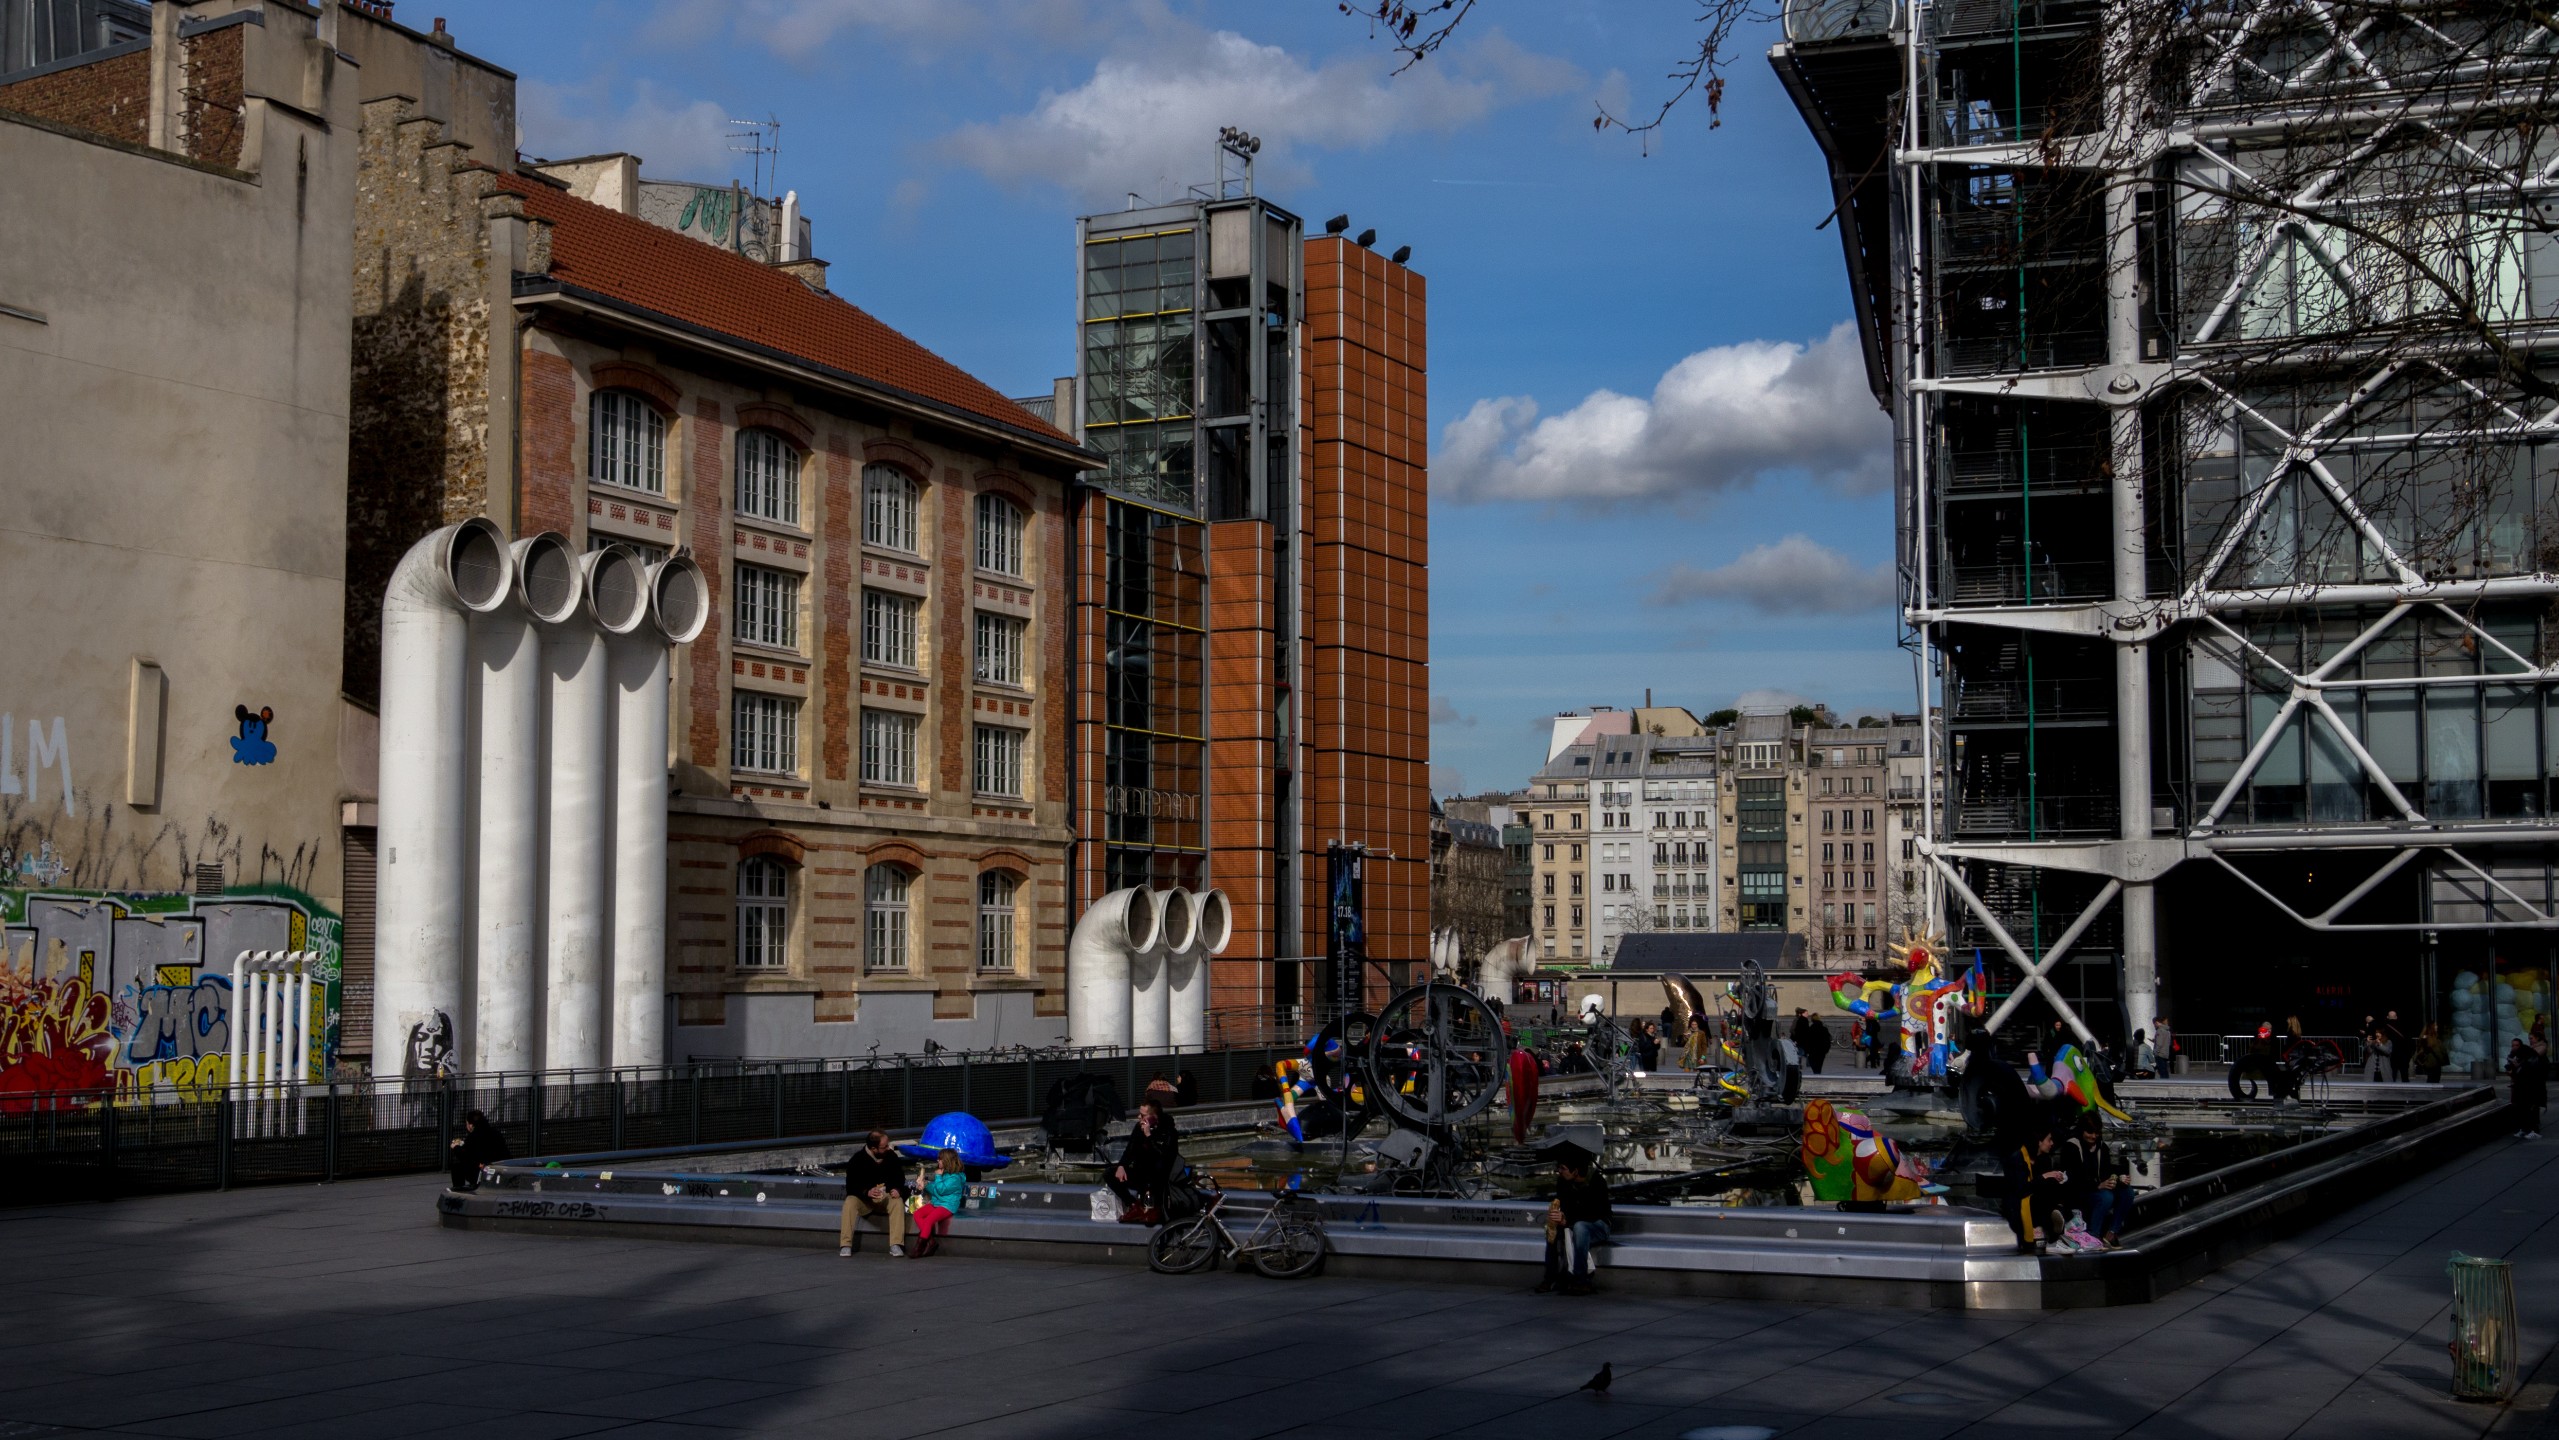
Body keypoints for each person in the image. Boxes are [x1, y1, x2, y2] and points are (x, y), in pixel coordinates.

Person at [1538, 1153, 1614, 1296]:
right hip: (1573, 1222)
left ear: (1575, 1171)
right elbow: (1566, 1208)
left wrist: (1567, 1220)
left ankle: (1581, 1280)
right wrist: (1559, 1217)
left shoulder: (1597, 1182)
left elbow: (1594, 1213)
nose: (1559, 1171)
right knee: (1552, 1229)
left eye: (1563, 1168)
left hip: (1598, 1225)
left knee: (1580, 1227)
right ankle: (1550, 1278)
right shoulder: (1563, 1182)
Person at [838, 1129, 909, 1258]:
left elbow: (900, 1178)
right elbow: (851, 1186)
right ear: (873, 1149)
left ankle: (896, 1244)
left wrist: (897, 1189)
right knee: (850, 1201)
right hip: (865, 1200)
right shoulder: (857, 1159)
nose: (888, 1148)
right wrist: (867, 1192)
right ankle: (845, 1244)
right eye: (884, 1146)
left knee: (897, 1202)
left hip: (885, 1197)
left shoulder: (891, 1156)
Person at [2065, 1115, 2132, 1248]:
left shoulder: (2102, 1147)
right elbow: (2074, 1179)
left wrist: (2118, 1178)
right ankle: (2093, 1235)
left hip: (2096, 1189)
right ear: (2082, 1130)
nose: (2093, 1136)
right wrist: (2098, 1185)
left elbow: (2106, 1171)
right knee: (2106, 1196)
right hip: (2079, 1192)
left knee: (2127, 1192)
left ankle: (2111, 1233)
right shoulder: (2071, 1146)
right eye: (2090, 1132)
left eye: (2096, 1133)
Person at [1109, 1098, 1180, 1221]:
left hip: (1159, 1175)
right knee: (1110, 1174)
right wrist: (1122, 1165)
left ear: (1153, 1117)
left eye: (1143, 1115)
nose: (1139, 1117)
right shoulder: (1139, 1127)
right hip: (1141, 1172)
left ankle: (1153, 1209)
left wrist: (1149, 1136)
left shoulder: (1168, 1131)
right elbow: (1130, 1149)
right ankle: (1133, 1205)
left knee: (1153, 1171)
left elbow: (1163, 1155)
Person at [909, 1147, 968, 1257]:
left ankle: (919, 1248)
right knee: (918, 1214)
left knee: (929, 1220)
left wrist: (938, 1176)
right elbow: (936, 1191)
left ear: (947, 1161)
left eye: (940, 1159)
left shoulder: (955, 1178)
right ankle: (931, 1242)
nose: (937, 1160)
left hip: (948, 1205)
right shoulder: (943, 1173)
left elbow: (941, 1190)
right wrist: (926, 1185)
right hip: (937, 1202)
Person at [446, 1110, 510, 1192]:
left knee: (457, 1167)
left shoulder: (473, 1136)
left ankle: (459, 1189)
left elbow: (465, 1156)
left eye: (467, 1124)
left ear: (471, 1125)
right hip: (501, 1169)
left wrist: (455, 1147)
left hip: (482, 1171)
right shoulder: (496, 1133)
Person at [2507, 1037, 2548, 1140]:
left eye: (2516, 1045)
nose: (2514, 1048)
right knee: (2522, 1110)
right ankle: (2525, 1129)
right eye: (2513, 1045)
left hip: (2531, 1090)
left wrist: (2517, 1068)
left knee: (2530, 1110)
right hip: (2523, 1089)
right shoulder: (2523, 1058)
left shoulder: (2530, 1059)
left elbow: (2528, 1074)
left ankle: (2534, 1130)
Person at [2359, 1015, 2391, 1083]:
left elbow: (2387, 1051)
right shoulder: (2373, 1041)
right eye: (2376, 1032)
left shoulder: (2388, 1042)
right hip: (2373, 1068)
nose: (2377, 1034)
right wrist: (2368, 1043)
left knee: (2384, 1086)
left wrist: (2379, 1044)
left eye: (2378, 1033)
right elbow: (2369, 1051)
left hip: (2383, 1068)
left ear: (2382, 1034)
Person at [2382, 1010, 2411, 1081]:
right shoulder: (2404, 1026)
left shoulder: (2385, 1027)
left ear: (2387, 1017)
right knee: (2404, 1075)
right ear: (2396, 1017)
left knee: (2392, 1075)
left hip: (2392, 1055)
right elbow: (2409, 1040)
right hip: (2404, 1054)